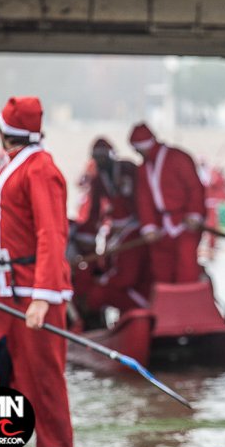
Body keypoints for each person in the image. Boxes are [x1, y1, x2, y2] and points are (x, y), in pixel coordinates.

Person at [0, 97, 76, 447]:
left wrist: (42, 296)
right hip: (2, 294)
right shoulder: (12, 167)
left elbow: (51, 232)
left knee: (45, 385)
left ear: (5, 131)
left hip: (32, 296)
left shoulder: (41, 169)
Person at [72, 138, 151, 325]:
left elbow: (125, 278)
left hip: (139, 294)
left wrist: (101, 285)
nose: (99, 162)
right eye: (96, 158)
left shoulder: (128, 169)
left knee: (100, 292)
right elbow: (94, 212)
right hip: (120, 237)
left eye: (102, 157)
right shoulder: (99, 179)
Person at [129, 122, 205, 284]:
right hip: (161, 225)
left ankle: (187, 297)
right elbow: (144, 200)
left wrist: (194, 213)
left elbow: (195, 187)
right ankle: (165, 298)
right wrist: (149, 225)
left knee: (187, 266)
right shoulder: (143, 168)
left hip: (185, 222)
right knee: (161, 267)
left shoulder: (178, 158)